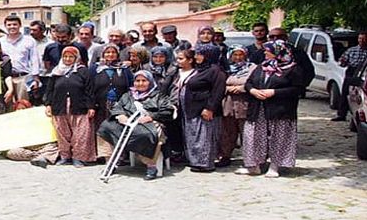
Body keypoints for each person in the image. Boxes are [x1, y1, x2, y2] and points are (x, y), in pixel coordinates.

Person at [237, 40, 304, 177]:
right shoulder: (262, 67)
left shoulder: (293, 69)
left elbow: (297, 89)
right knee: (252, 135)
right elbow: (249, 82)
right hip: (258, 108)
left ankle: (275, 166)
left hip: (280, 110)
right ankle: (253, 165)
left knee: (279, 137)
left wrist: (274, 92)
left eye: (268, 50)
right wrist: (253, 90)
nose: (265, 53)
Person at [98, 70, 175, 180]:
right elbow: (118, 107)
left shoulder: (158, 96)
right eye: (137, 81)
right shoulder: (128, 95)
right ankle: (111, 161)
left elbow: (168, 110)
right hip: (128, 122)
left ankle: (151, 166)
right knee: (105, 128)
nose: (140, 83)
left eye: (144, 80)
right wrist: (120, 115)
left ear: (150, 82)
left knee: (148, 135)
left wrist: (151, 117)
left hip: (149, 123)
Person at [43, 46, 96, 167]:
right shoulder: (56, 72)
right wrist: (48, 104)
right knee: (62, 132)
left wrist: (91, 106)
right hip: (59, 105)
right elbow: (49, 90)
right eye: (65, 56)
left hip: (79, 105)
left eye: (71, 56)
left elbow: (89, 90)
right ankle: (65, 156)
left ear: (76, 58)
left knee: (80, 133)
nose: (68, 59)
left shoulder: (83, 71)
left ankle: (79, 157)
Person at [178, 43, 226, 172]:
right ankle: (196, 161)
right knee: (195, 136)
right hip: (193, 108)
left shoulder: (216, 70)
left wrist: (210, 108)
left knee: (204, 136)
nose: (197, 57)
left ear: (208, 55)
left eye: (200, 54)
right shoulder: (202, 69)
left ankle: (205, 163)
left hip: (204, 109)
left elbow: (218, 91)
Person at [217, 45, 257, 167]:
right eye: (235, 55)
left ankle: (250, 159)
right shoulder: (225, 68)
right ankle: (225, 156)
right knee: (227, 132)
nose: (238, 57)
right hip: (228, 104)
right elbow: (218, 84)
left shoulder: (253, 68)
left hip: (245, 104)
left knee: (247, 132)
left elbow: (256, 82)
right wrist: (228, 88)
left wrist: (242, 88)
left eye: (241, 54)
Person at [0, 15, 40, 102]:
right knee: (8, 107)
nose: (12, 27)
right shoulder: (0, 42)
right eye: (9, 25)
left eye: (15, 24)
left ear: (20, 25)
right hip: (7, 79)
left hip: (23, 78)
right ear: (5, 26)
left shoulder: (29, 40)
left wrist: (35, 78)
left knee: (23, 106)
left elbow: (34, 60)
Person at [333, 31, 367, 121]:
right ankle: (341, 114)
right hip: (351, 72)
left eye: (364, 39)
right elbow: (342, 62)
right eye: (360, 38)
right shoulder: (352, 50)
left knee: (360, 95)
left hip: (364, 73)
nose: (361, 41)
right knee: (345, 93)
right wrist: (342, 62)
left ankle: (358, 115)